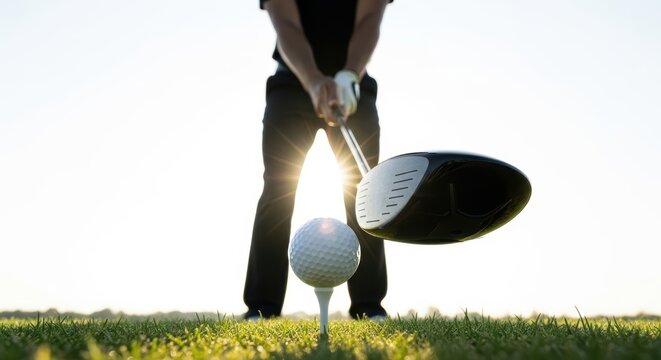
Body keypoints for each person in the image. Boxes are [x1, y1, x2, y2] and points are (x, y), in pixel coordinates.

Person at [243, 0, 392, 320]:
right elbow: (287, 25)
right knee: (278, 189)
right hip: (293, 83)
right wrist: (313, 81)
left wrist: (349, 75)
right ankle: (261, 306)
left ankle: (369, 306)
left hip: (353, 81)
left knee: (365, 191)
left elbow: (370, 20)